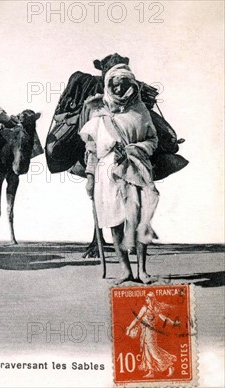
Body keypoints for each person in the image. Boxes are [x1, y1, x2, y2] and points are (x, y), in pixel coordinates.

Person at [80, 64, 160, 284]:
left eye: (123, 85)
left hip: (137, 169)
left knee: (140, 220)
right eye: (114, 85)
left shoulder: (141, 111)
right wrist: (89, 177)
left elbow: (153, 140)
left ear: (132, 86)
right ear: (108, 86)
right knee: (114, 221)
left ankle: (142, 271)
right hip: (107, 174)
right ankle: (125, 270)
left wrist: (135, 149)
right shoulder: (99, 113)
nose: (119, 90)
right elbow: (92, 149)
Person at [126, 292, 179, 378]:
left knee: (153, 351)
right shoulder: (144, 308)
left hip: (151, 332)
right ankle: (151, 372)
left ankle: (169, 365)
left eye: (147, 298)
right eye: (146, 298)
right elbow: (137, 319)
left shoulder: (156, 308)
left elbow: (163, 318)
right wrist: (129, 328)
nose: (146, 300)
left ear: (151, 299)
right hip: (144, 332)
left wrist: (173, 323)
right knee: (146, 350)